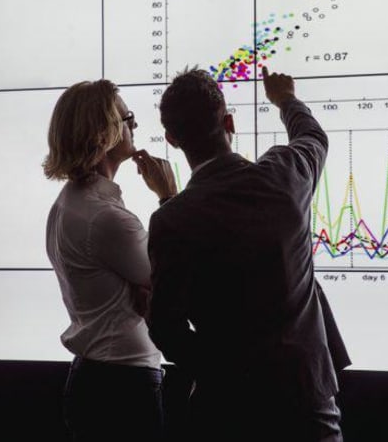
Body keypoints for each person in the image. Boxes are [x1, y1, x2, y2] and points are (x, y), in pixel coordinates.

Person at [145, 65, 351, 441]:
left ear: (172, 140)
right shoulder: (286, 174)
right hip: (307, 400)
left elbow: (164, 328)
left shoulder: (172, 219)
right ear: (229, 122)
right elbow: (313, 136)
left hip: (228, 407)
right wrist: (285, 99)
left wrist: (223, 369)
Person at [43, 79, 177, 442]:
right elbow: (177, 281)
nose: (133, 125)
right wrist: (169, 198)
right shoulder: (105, 218)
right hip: (123, 387)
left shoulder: (69, 204)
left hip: (98, 379)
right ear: (104, 133)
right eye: (126, 118)